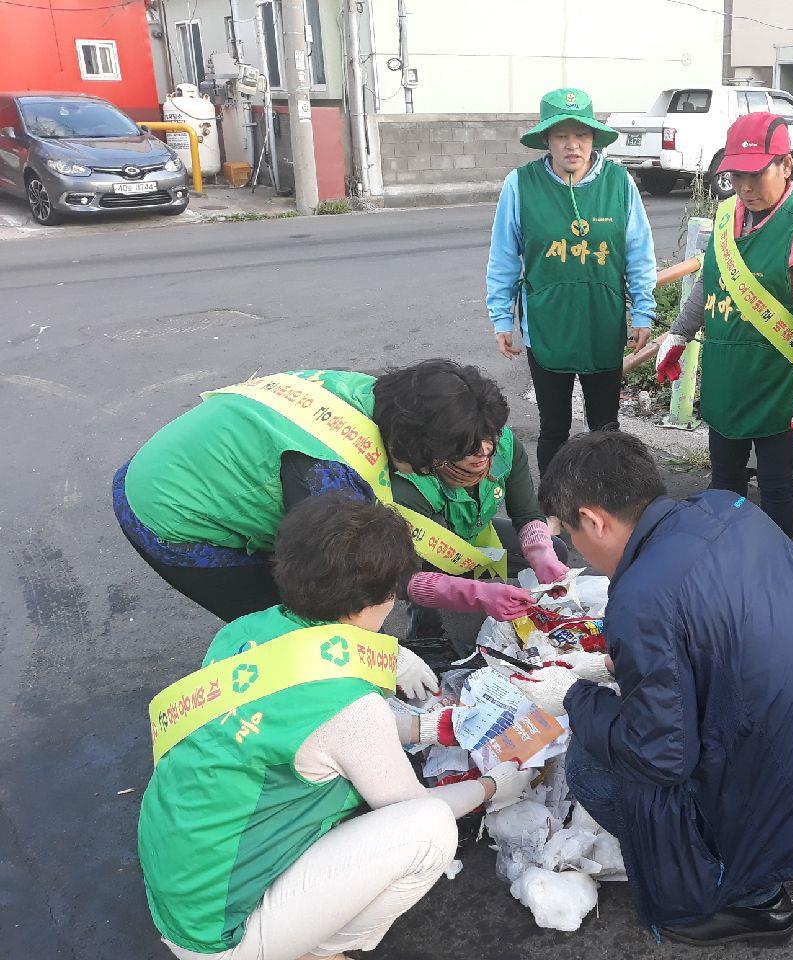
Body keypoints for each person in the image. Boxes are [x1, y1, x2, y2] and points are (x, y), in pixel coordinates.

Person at [510, 432, 793, 945]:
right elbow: (724, 636)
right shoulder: (726, 509)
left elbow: (661, 757)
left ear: (595, 519)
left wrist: (576, 698)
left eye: (571, 534)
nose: (573, 548)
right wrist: (617, 664)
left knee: (588, 768)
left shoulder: (642, 597)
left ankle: (751, 901)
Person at [137, 494, 534, 960]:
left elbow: (301, 725)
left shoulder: (249, 631)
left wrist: (423, 730)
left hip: (180, 880)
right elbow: (415, 805)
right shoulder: (351, 708)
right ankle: (320, 949)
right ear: (377, 598)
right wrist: (493, 785)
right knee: (429, 832)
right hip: (217, 934)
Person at [114, 360, 568, 666]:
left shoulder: (370, 396)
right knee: (300, 633)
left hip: (187, 462)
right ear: (412, 444)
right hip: (170, 512)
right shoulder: (332, 474)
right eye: (432, 464)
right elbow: (340, 578)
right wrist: (395, 650)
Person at [655, 113, 793, 536]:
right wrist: (681, 331)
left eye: (756, 174)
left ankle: (774, 566)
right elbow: (711, 281)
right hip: (726, 378)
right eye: (736, 175)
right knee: (724, 482)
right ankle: (727, 555)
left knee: (776, 485)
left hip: (775, 384)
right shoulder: (725, 217)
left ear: (787, 165)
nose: (745, 187)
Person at [486, 87, 658, 472]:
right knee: (553, 430)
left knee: (605, 429)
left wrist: (643, 312)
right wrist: (501, 318)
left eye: (580, 135)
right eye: (561, 136)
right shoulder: (520, 185)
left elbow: (638, 254)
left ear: (593, 138)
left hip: (602, 322)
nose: (572, 145)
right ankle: (552, 512)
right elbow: (503, 258)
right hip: (548, 325)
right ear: (547, 140)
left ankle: (606, 503)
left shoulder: (619, 183)